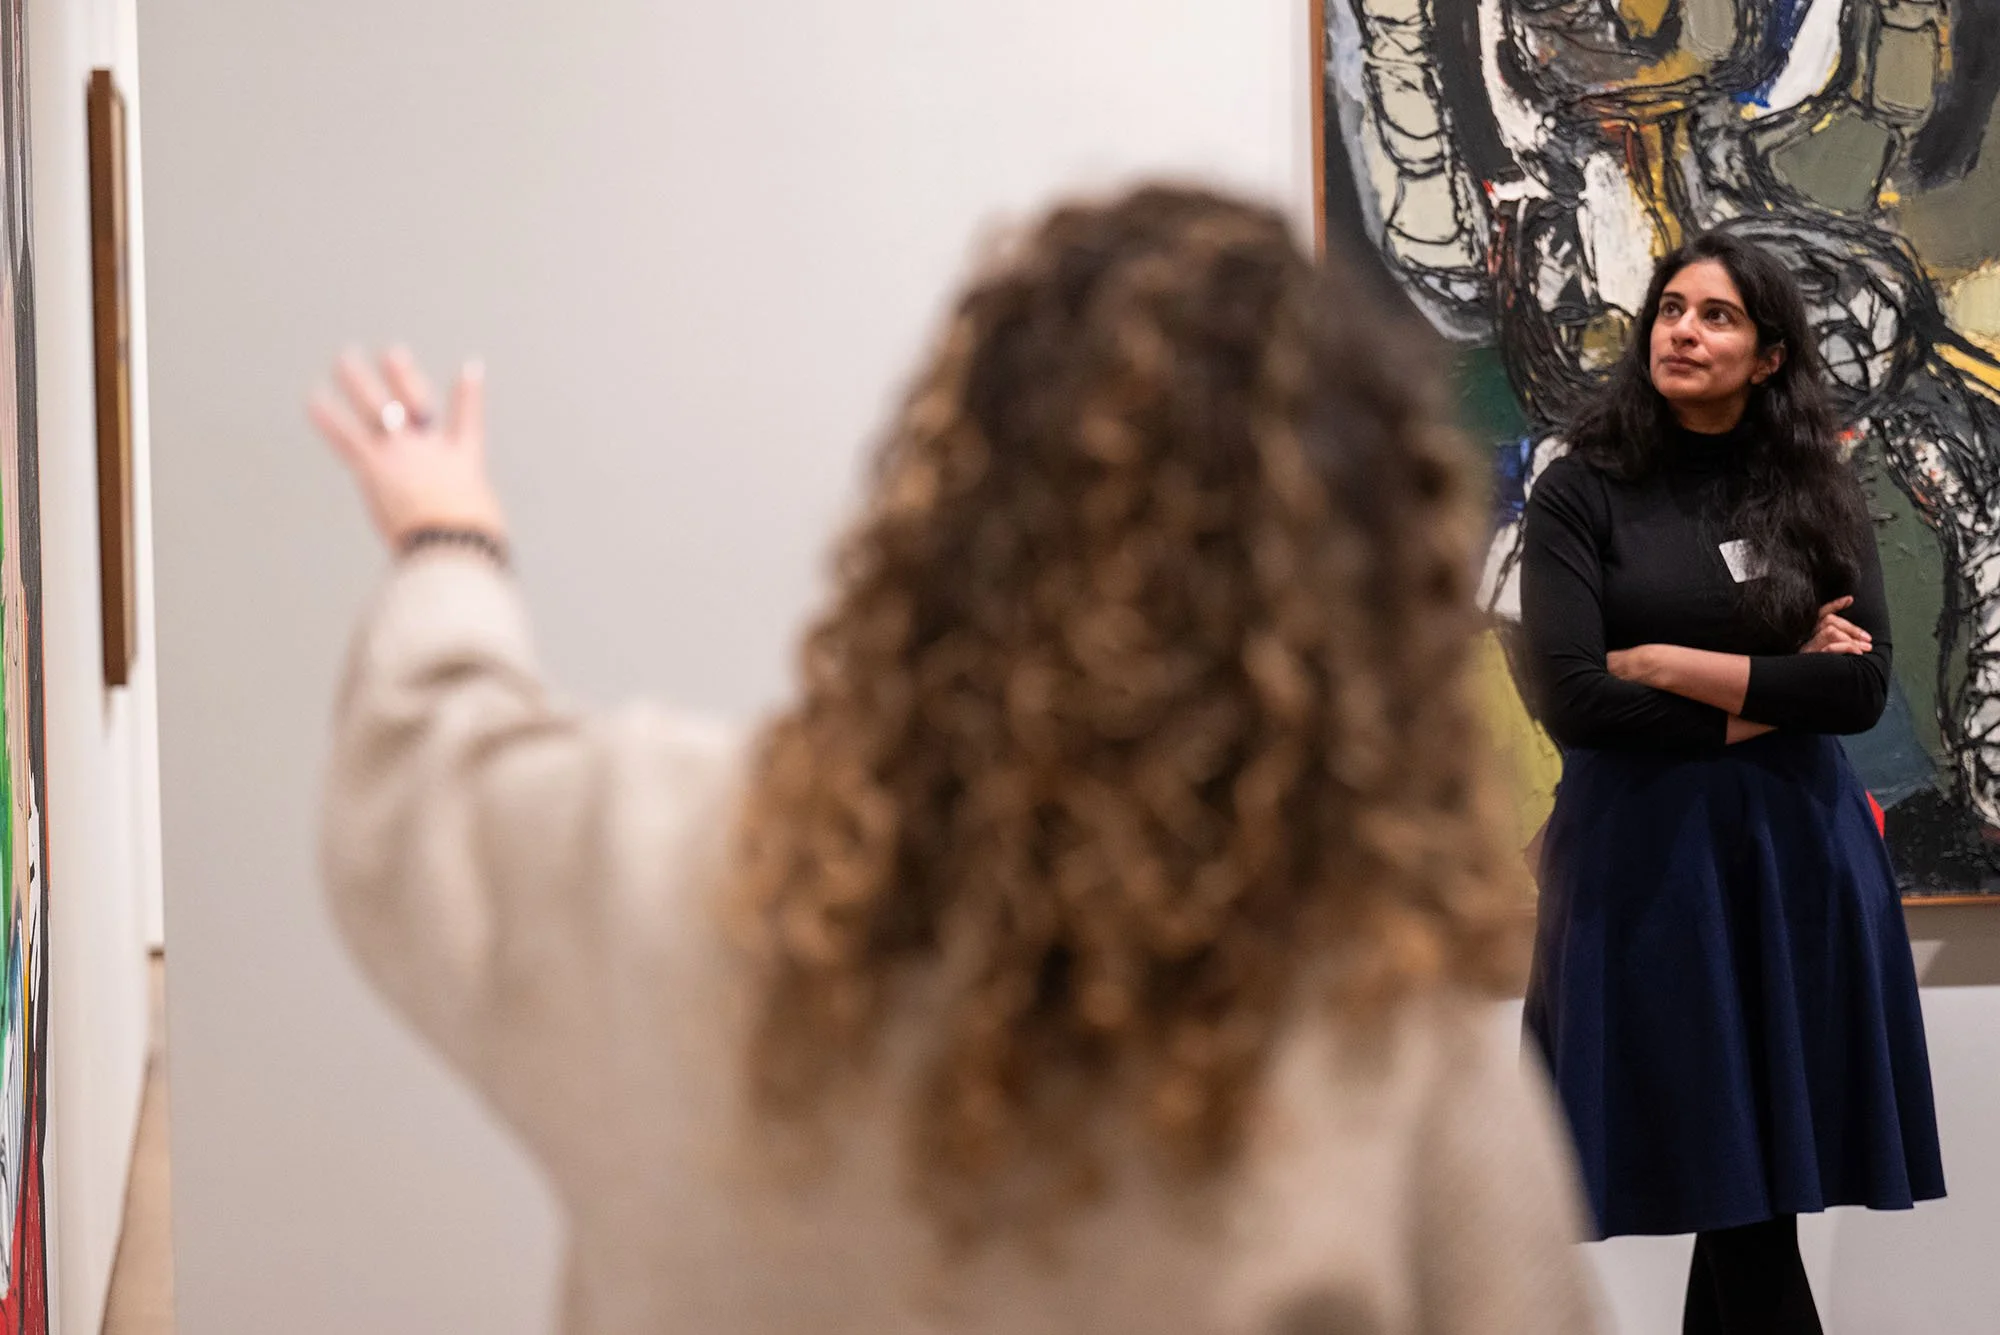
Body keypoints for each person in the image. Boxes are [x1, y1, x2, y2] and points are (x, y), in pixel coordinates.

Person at [309, 185, 1599, 1335]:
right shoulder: (1391, 1058)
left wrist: (446, 538)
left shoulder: (655, 857)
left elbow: (426, 752)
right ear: (1358, 593)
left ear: (943, 512)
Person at [1519, 229, 1948, 1335]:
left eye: (1716, 316)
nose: (1682, 331)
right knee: (1733, 1187)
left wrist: (1668, 662)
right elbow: (1575, 700)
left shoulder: (1814, 489)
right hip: (1644, 865)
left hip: (1792, 860)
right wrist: (1774, 688)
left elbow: (1859, 691)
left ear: (1768, 356)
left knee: (1752, 1197)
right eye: (1670, 308)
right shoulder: (1580, 491)